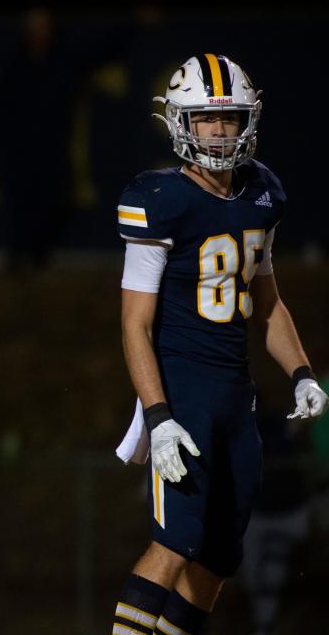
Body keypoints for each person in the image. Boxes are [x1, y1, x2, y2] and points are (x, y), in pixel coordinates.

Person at [111, 54, 327, 635]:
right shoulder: (159, 198)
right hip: (182, 391)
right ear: (180, 122)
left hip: (236, 394)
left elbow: (268, 301)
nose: (219, 130)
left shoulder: (262, 192)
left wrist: (303, 371)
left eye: (229, 117)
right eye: (206, 119)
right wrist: (157, 415)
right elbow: (135, 324)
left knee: (219, 558)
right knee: (176, 541)